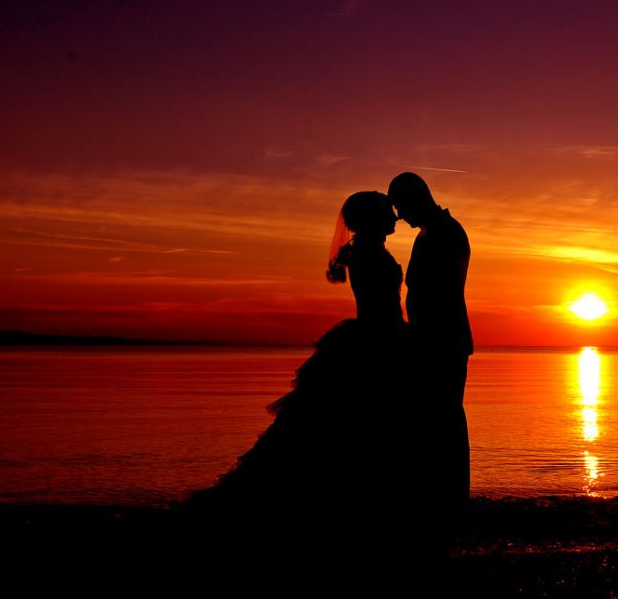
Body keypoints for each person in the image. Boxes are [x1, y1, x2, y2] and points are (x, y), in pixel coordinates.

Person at [178, 191, 407, 575]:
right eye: (388, 212)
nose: (395, 217)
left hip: (381, 338)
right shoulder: (368, 252)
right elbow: (379, 306)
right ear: (371, 218)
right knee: (351, 430)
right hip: (376, 343)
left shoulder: (367, 249)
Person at [387, 172, 472, 547]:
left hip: (442, 341)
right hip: (427, 340)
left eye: (401, 206)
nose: (399, 216)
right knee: (433, 422)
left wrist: (419, 335)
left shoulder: (447, 233)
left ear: (417, 198)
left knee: (445, 419)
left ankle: (450, 502)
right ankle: (437, 498)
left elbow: (441, 293)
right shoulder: (429, 232)